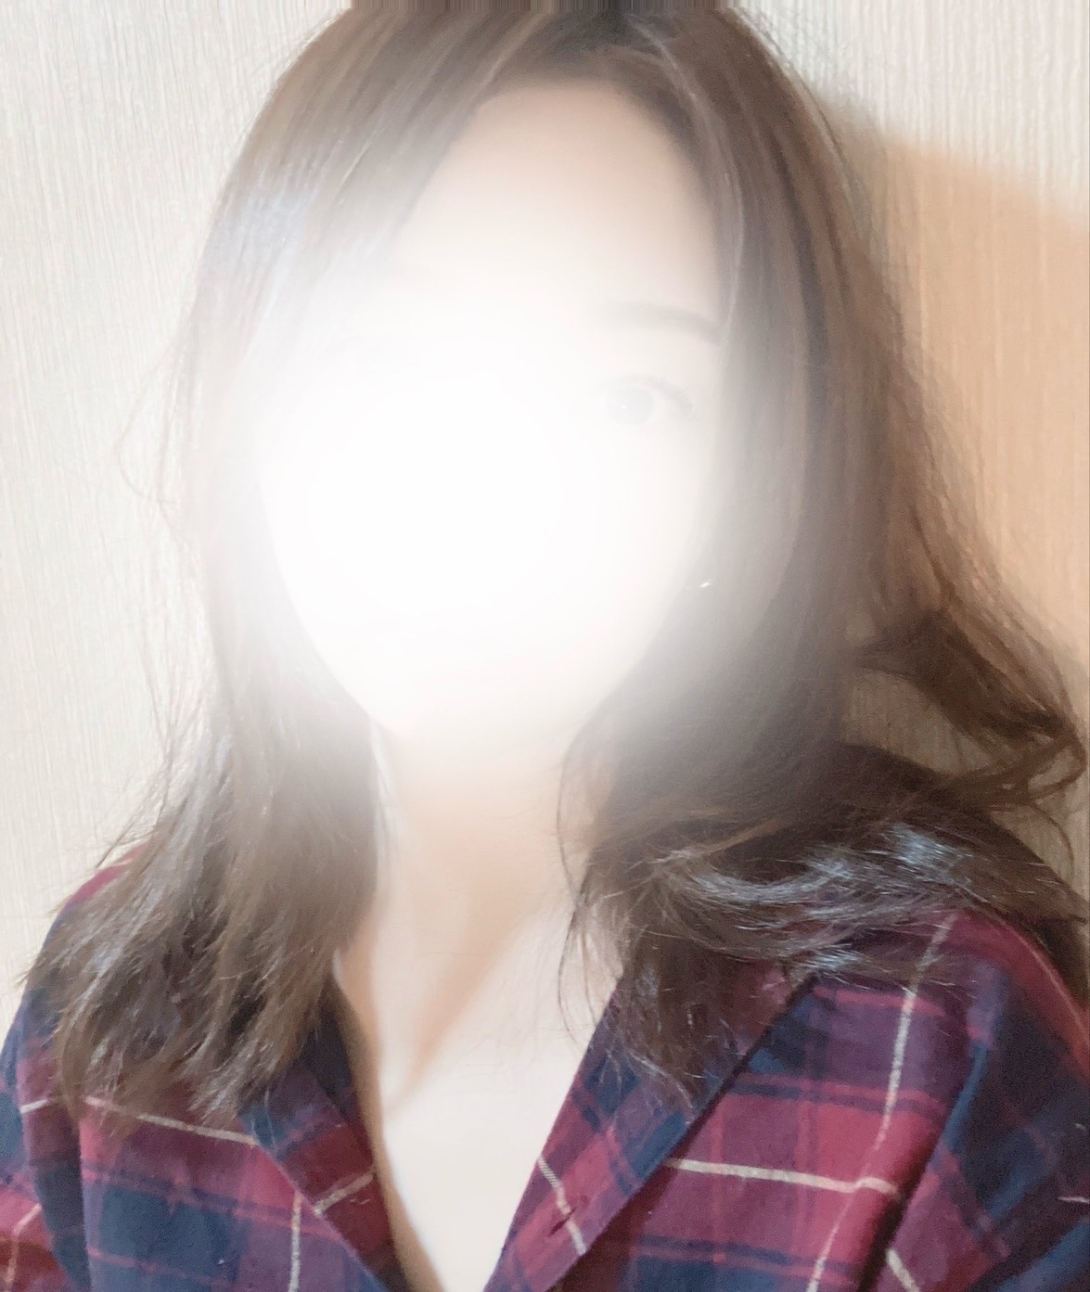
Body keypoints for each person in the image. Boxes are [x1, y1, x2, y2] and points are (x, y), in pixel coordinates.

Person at [2, 5, 1087, 1290]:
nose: (479, 485)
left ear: (744, 483)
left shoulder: (934, 1045)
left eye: (628, 398)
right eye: (377, 355)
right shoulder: (106, 1023)